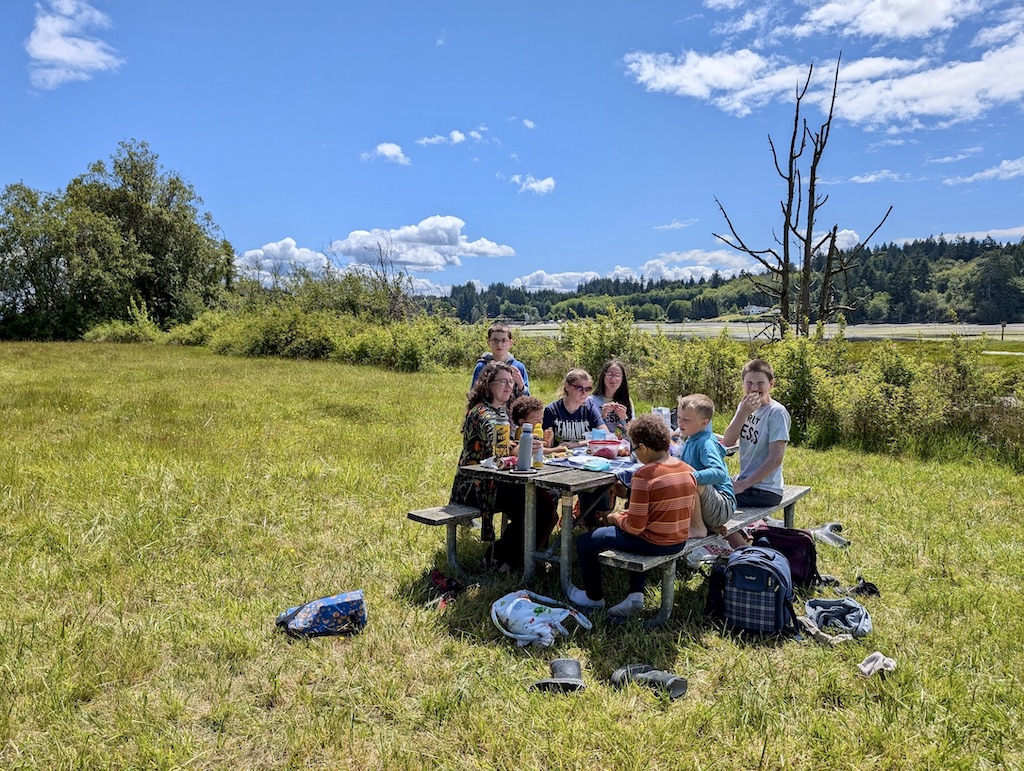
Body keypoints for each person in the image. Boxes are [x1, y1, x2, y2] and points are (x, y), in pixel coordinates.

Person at [568, 414, 696, 617]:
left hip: (654, 542)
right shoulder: (686, 469)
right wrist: (626, 517)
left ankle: (594, 598)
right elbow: (658, 511)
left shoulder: (644, 475)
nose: (635, 454)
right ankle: (635, 595)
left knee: (585, 542)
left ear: (643, 447)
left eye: (635, 449)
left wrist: (615, 518)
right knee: (630, 536)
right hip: (678, 541)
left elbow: (635, 527)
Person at [676, 393, 744, 548]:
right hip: (710, 505)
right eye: (679, 417)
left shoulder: (705, 442)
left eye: (686, 419)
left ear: (704, 423)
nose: (680, 422)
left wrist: (690, 477)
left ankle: (698, 528)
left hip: (722, 505)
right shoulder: (692, 439)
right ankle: (705, 526)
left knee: (688, 478)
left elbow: (719, 473)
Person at [721, 359, 791, 508]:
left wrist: (743, 485)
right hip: (746, 482)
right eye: (749, 383)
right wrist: (743, 413)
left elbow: (775, 459)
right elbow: (728, 441)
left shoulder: (776, 413)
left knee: (713, 502)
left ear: (771, 384)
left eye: (760, 383)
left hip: (766, 490)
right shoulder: (745, 406)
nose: (754, 388)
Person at [542, 368, 608, 448]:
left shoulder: (589, 408)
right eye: (579, 388)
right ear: (567, 386)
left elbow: (605, 436)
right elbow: (547, 446)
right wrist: (548, 439)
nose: (584, 393)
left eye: (588, 389)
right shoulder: (552, 410)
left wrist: (576, 444)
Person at [470, 322, 529, 401]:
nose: (499, 344)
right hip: (488, 411)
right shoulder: (482, 366)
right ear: (488, 343)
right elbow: (474, 395)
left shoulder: (518, 367)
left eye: (504, 340)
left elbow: (527, 400)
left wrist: (521, 386)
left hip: (512, 411)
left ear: (510, 343)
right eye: (495, 340)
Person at [588, 360, 635, 439]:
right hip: (600, 445)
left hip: (622, 447)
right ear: (603, 376)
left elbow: (631, 435)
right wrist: (602, 418)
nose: (613, 379)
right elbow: (589, 431)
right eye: (609, 375)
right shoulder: (591, 401)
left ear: (622, 379)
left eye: (617, 375)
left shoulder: (627, 401)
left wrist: (623, 418)